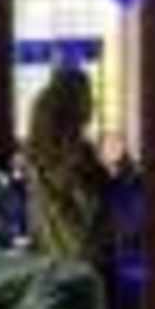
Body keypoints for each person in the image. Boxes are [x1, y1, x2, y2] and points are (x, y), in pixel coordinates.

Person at [21, 58, 108, 273]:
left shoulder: (40, 152)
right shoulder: (76, 154)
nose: (93, 103)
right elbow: (90, 207)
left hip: (52, 259)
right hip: (82, 260)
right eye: (88, 95)